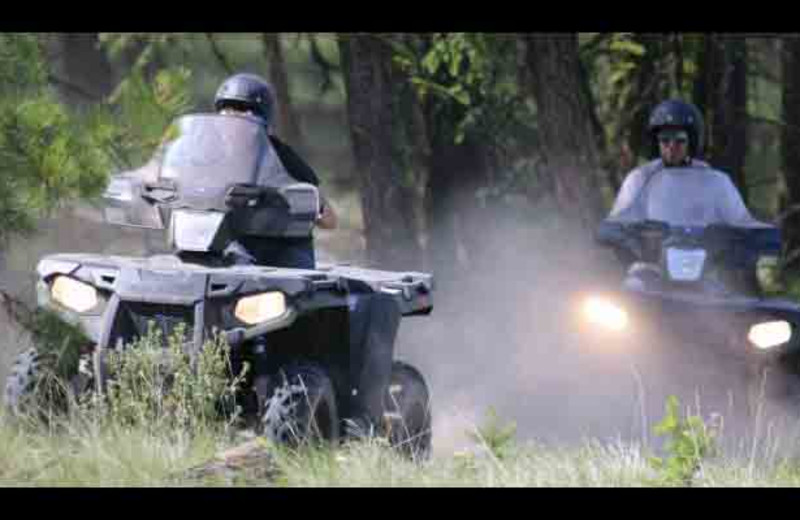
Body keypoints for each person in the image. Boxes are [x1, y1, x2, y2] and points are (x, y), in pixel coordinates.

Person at [213, 72, 337, 269]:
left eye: (241, 114)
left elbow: (329, 219)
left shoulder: (281, 156)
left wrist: (284, 201)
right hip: (233, 247)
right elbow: (163, 176)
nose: (232, 124)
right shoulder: (210, 154)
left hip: (283, 251)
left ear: (260, 122)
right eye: (226, 114)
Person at [608, 99, 759, 228]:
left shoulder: (715, 181)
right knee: (637, 265)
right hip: (651, 259)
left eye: (679, 140)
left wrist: (763, 235)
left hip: (708, 259)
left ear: (692, 142)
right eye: (665, 139)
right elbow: (618, 222)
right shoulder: (640, 179)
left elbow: (743, 223)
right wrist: (614, 231)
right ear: (656, 142)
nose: (671, 146)